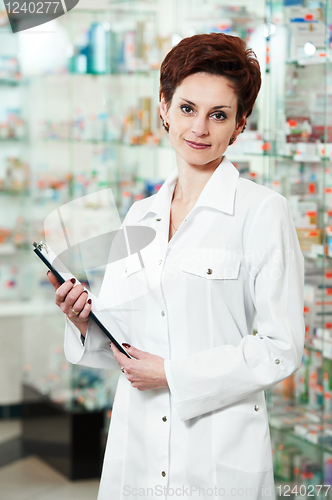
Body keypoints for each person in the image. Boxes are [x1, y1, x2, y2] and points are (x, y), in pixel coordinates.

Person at [48, 32, 305, 500]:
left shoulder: (262, 211)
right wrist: (84, 320)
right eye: (187, 108)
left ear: (240, 124)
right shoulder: (140, 214)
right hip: (138, 447)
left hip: (218, 451)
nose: (200, 129)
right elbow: (125, 342)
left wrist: (173, 375)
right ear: (163, 107)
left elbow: (280, 348)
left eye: (219, 115)